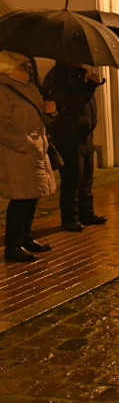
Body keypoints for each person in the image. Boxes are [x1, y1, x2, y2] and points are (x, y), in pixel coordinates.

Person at [0, 51, 56, 263]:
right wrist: (27, 144)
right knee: (20, 199)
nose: (28, 70)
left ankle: (26, 237)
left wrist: (49, 112)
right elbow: (3, 127)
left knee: (32, 197)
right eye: (23, 67)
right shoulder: (3, 91)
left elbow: (38, 119)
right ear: (10, 70)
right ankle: (13, 245)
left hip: (35, 151)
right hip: (17, 154)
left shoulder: (29, 88)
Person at [40, 63, 108, 232]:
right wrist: (90, 86)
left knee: (86, 176)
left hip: (84, 134)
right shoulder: (60, 77)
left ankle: (86, 213)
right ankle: (70, 218)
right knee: (72, 178)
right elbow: (73, 104)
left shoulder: (77, 76)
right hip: (69, 135)